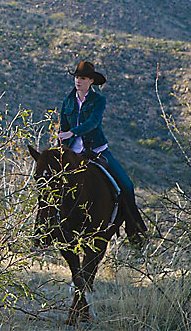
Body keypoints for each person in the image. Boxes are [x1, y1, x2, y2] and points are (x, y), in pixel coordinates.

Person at [58, 61, 148, 245]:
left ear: (91, 81)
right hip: (72, 153)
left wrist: (72, 132)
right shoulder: (67, 101)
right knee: (50, 183)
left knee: (126, 185)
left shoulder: (99, 100)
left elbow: (93, 122)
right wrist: (62, 142)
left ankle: (135, 229)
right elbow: (63, 128)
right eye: (76, 77)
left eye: (82, 78)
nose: (78, 81)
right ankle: (47, 231)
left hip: (97, 151)